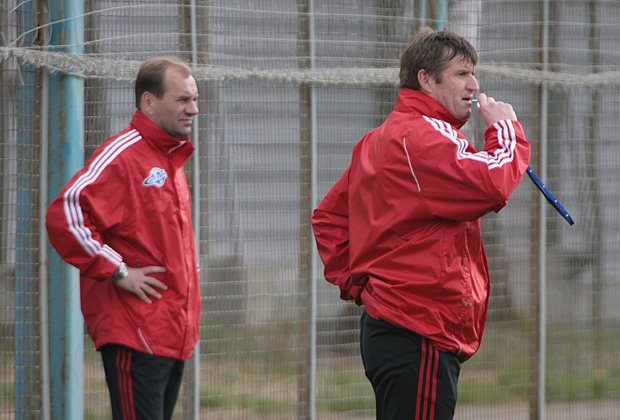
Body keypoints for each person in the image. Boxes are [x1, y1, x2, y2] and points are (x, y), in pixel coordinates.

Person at [311, 29, 531, 420]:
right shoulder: (422, 135)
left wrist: (369, 288)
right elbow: (491, 184)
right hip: (417, 328)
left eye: (473, 73)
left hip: (401, 327)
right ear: (426, 79)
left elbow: (328, 219)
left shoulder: (384, 136)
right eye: (461, 74)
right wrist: (506, 131)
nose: (474, 84)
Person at [46, 57, 201, 420]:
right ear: (149, 101)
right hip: (136, 329)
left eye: (194, 99)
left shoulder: (170, 157)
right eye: (182, 99)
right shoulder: (123, 155)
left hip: (170, 331)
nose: (193, 109)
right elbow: (65, 214)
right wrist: (117, 270)